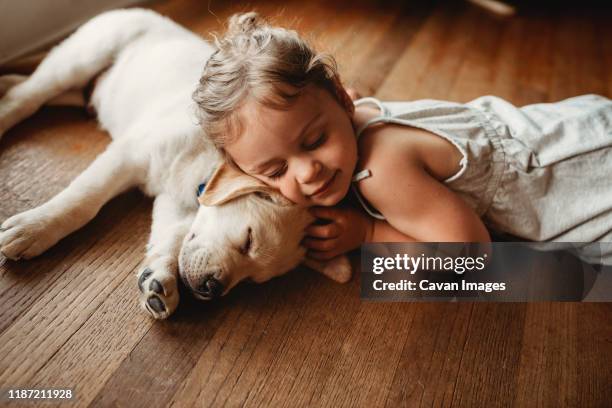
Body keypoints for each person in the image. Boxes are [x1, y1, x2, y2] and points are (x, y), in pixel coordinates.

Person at [193, 12, 612, 265]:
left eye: (315, 140)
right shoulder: (354, 110)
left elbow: (471, 257)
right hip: (572, 125)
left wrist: (370, 236)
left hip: (587, 187)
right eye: (276, 170)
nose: (307, 171)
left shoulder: (382, 170)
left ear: (341, 99)